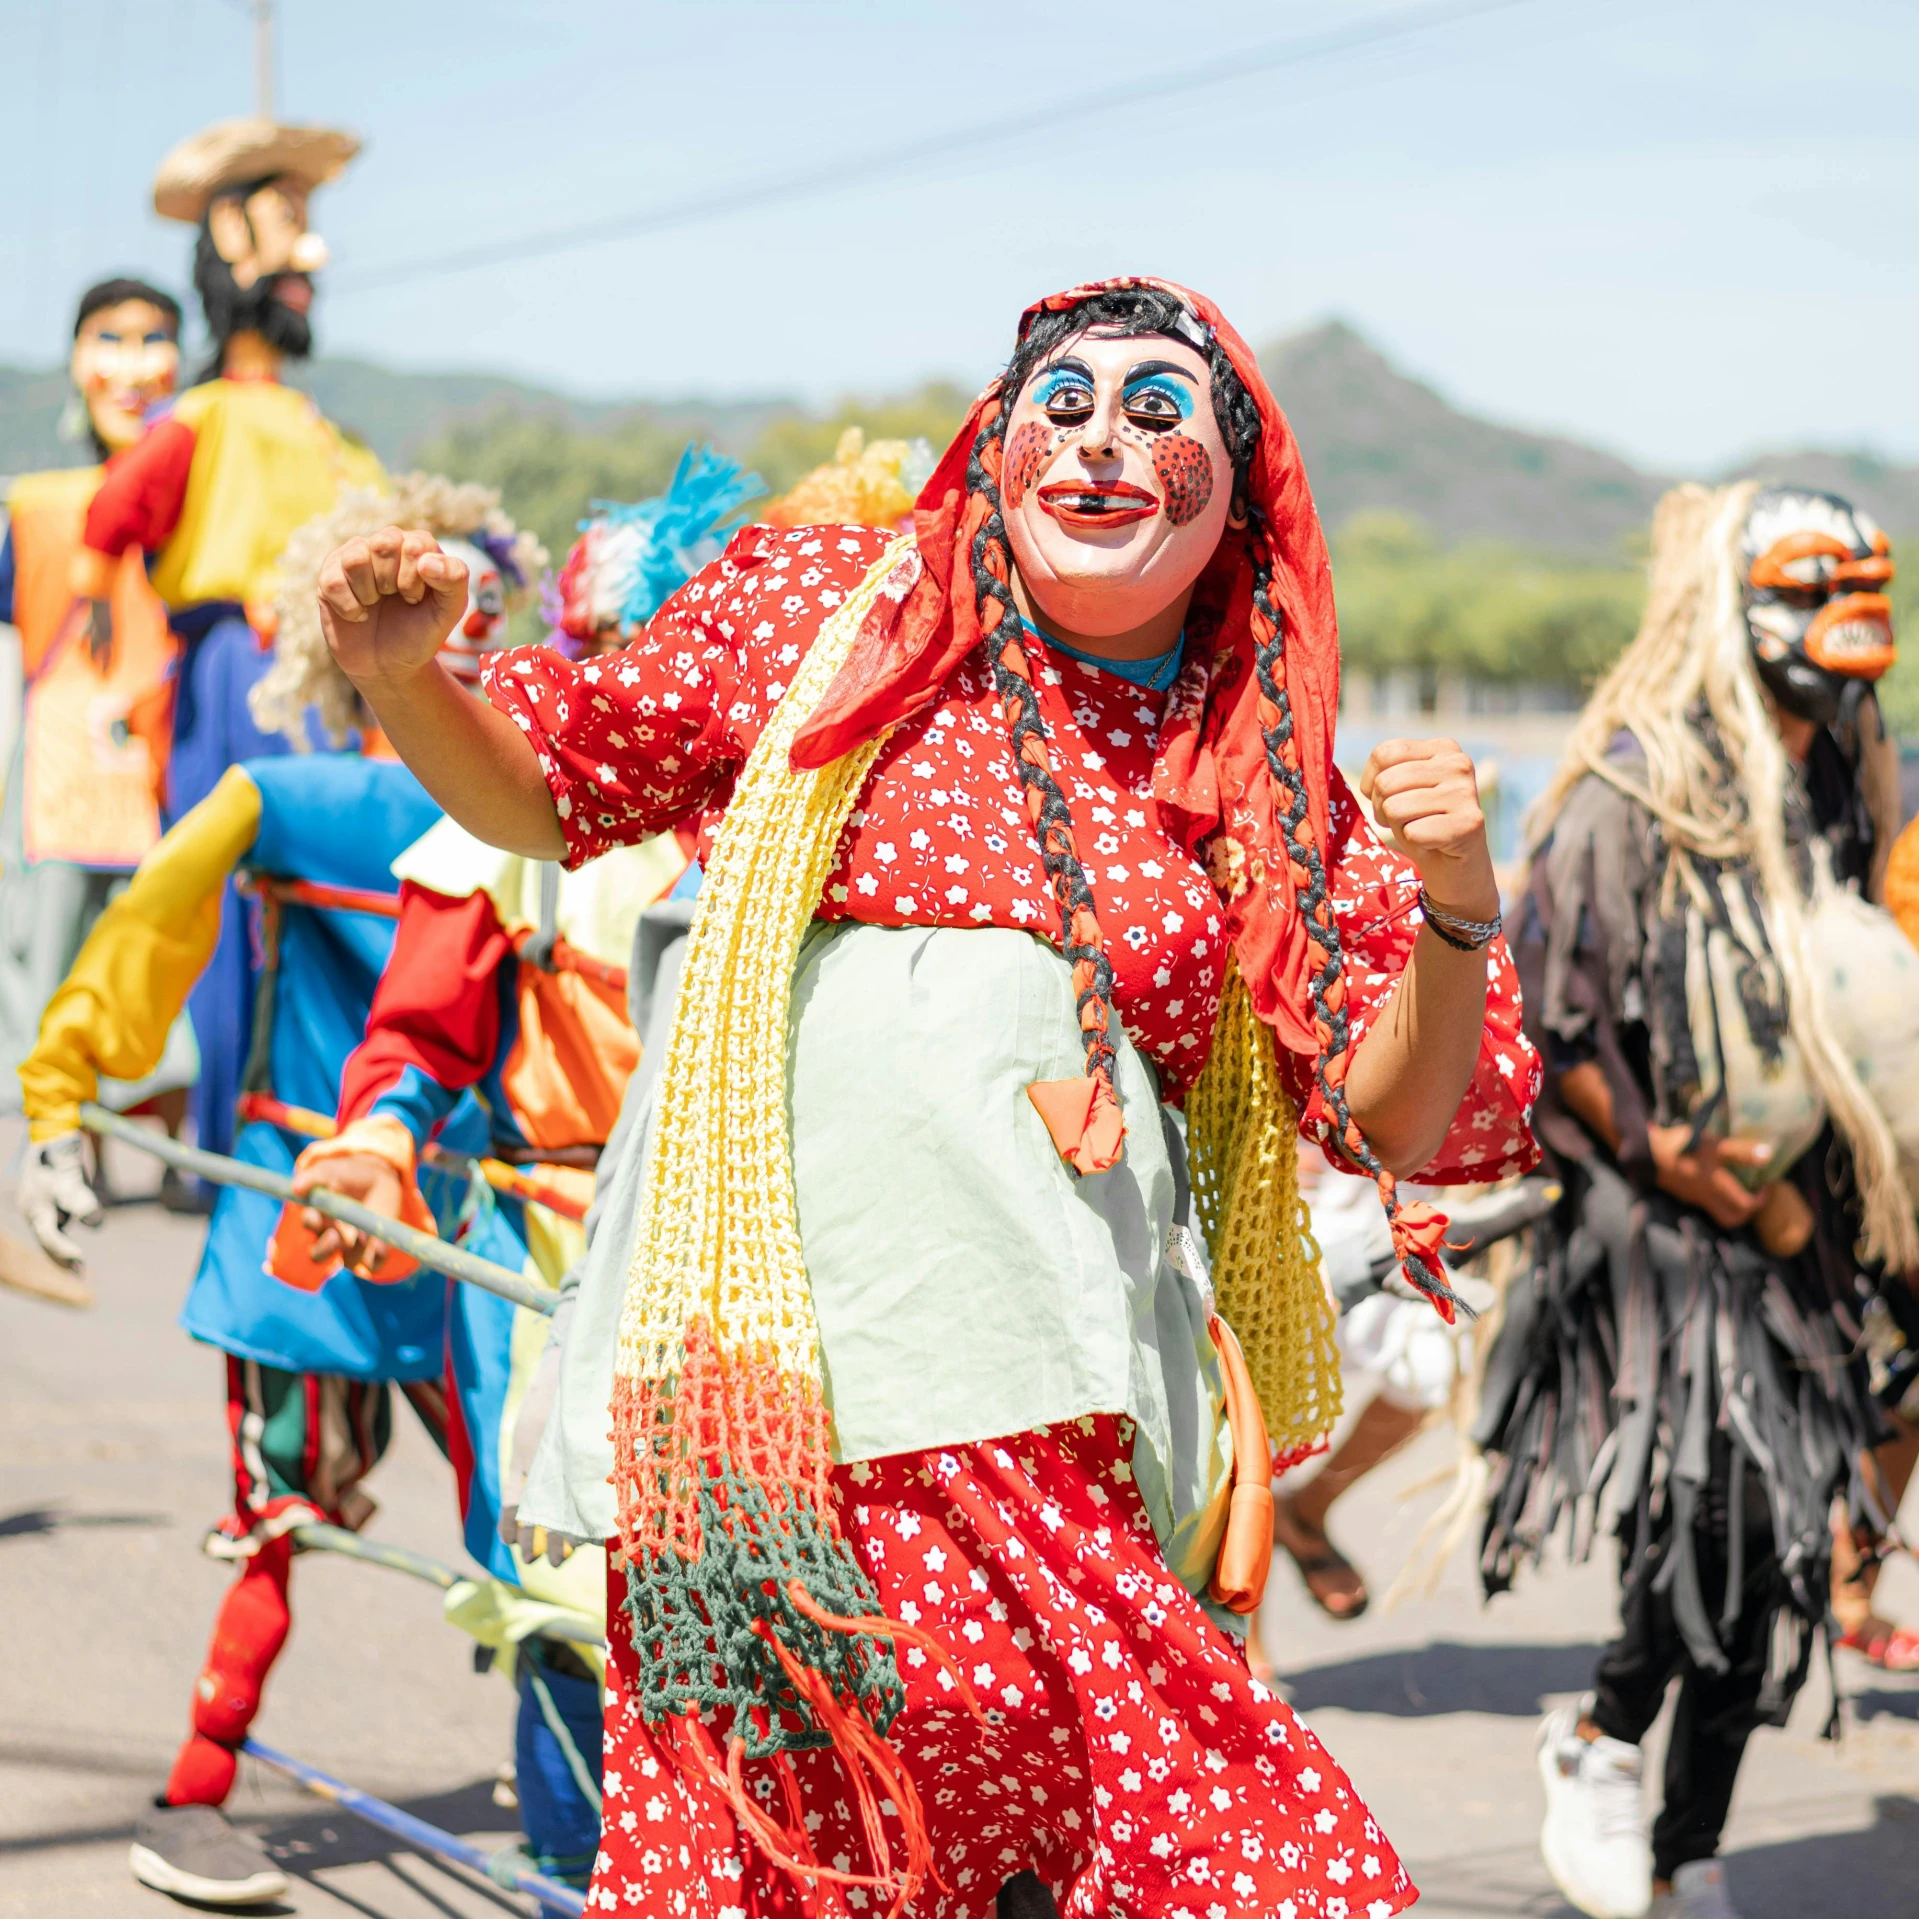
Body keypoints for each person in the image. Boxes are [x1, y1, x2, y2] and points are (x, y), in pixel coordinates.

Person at [316, 277, 1540, 1918]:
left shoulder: (1250, 760)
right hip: (757, 1423)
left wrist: (1453, 897)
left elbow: (1392, 1114)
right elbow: (556, 782)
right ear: (1000, 435)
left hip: (1058, 1441)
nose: (1103, 437)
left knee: (1258, 1863)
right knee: (789, 1873)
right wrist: (410, 681)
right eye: (1067, 400)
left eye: (1159, 410)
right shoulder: (828, 608)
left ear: (1238, 495)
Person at [14, 477, 565, 1908]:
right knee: (533, 1522)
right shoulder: (525, 815)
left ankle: (205, 1779)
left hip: (314, 1217)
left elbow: (136, 940)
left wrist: (60, 1098)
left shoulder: (289, 795)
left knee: (291, 1517)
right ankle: (585, 1808)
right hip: (448, 1220)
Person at [1477, 482, 1914, 1919]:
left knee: (1784, 1554)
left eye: (1866, 578)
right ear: (1728, 605)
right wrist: (1675, 1155)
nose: (1846, 606)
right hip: (1653, 1223)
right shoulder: (1636, 781)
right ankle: (1596, 1736)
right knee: (1708, 1514)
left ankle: (1689, 1848)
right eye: (1806, 579)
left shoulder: (1857, 779)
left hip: (1805, 1221)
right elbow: (1557, 1013)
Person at [72, 116, 383, 1162]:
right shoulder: (197, 420)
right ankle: (230, 1132)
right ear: (232, 240)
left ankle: (323, 1110)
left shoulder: (324, 433)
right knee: (226, 893)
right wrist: (103, 636)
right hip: (231, 674)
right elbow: (111, 521)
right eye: (288, 226)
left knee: (327, 890)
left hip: (323, 677)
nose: (310, 260)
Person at [0, 277, 190, 1140]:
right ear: (78, 358)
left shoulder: (205, 510)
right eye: (109, 339)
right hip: (59, 772)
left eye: (152, 339)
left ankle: (185, 1145)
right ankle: (55, 1142)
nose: (131, 364)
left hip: (173, 760)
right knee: (49, 962)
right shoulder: (36, 510)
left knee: (170, 954)